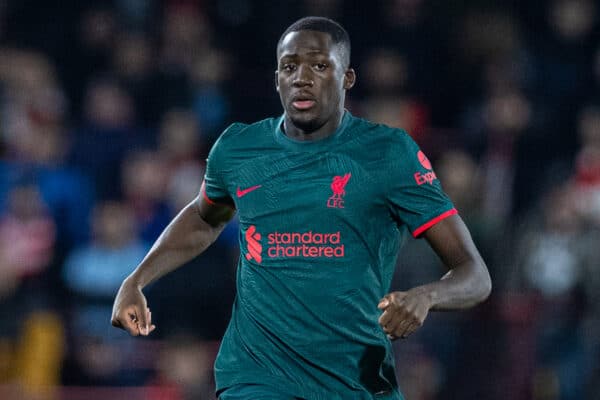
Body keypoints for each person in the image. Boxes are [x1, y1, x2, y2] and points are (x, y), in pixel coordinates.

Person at [111, 16, 492, 400]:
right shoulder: (238, 149)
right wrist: (136, 279)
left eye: (320, 65)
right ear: (277, 79)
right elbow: (202, 217)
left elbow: (474, 274)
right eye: (290, 67)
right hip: (256, 376)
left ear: (348, 78)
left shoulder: (389, 154)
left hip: (355, 381)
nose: (302, 78)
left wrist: (426, 297)